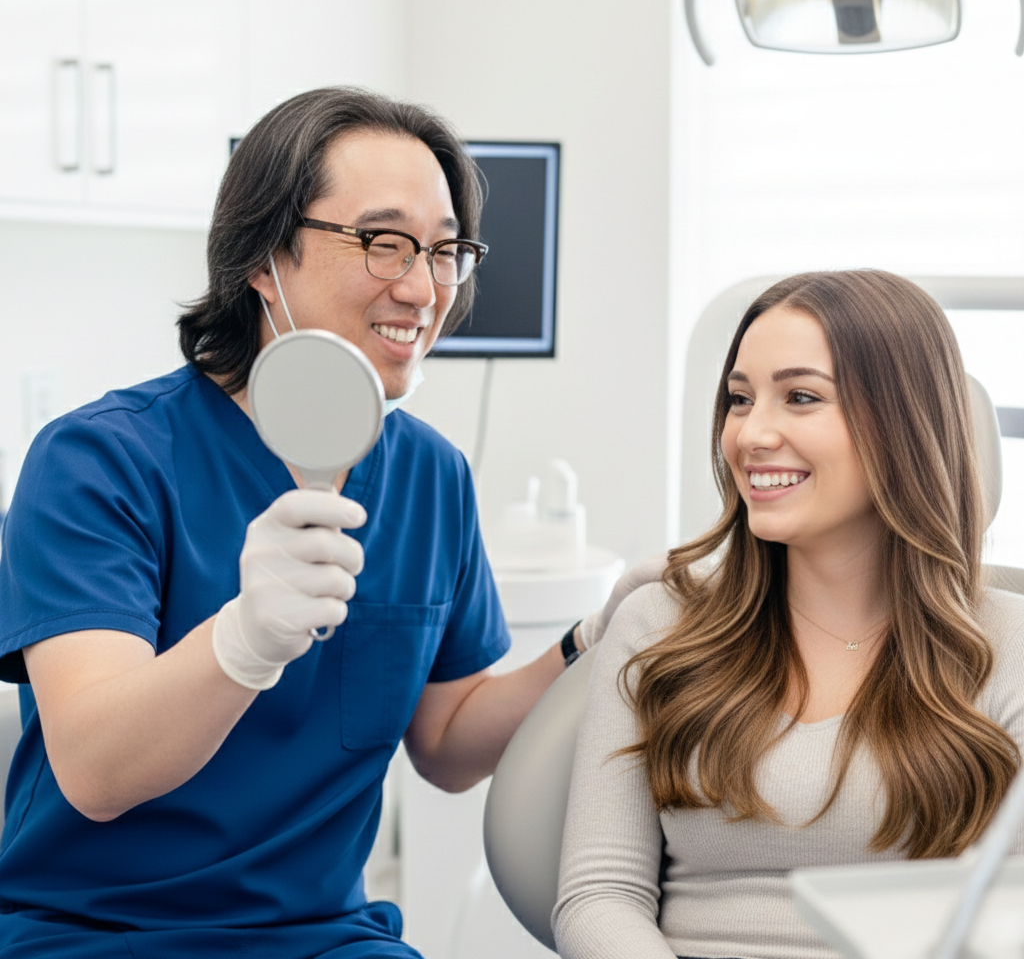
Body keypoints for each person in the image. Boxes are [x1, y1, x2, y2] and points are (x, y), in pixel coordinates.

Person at [0, 87, 640, 959]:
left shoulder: (430, 474)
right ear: (266, 258)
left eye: (447, 250)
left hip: (326, 939)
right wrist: (242, 643)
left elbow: (449, 744)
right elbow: (97, 771)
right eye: (384, 244)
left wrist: (594, 640)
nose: (424, 289)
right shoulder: (98, 461)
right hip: (91, 934)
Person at [553, 269, 1024, 959]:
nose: (751, 434)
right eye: (739, 401)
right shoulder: (658, 623)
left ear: (904, 422)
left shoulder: (1009, 647)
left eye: (801, 397)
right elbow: (599, 895)